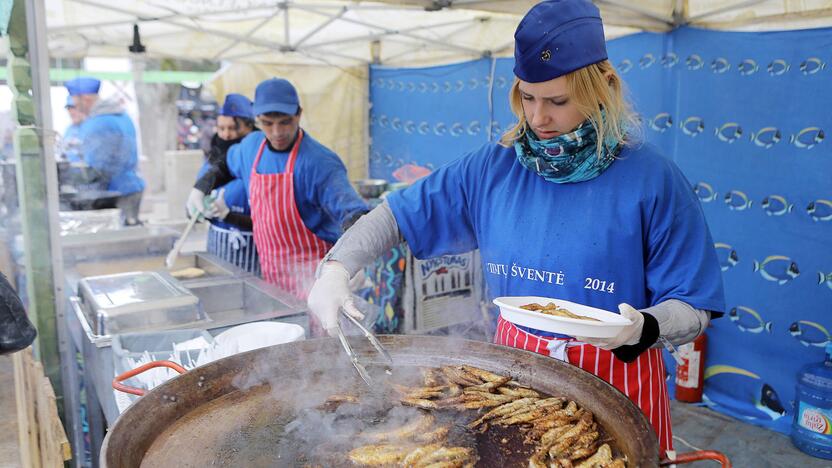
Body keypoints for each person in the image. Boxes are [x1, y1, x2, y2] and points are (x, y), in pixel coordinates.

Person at [306, 0, 725, 456]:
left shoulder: (652, 179)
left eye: (558, 101)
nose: (538, 118)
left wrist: (643, 327)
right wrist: (336, 270)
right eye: (527, 97)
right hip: (511, 380)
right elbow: (394, 215)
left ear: (602, 86)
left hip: (618, 378)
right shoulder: (492, 168)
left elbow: (693, 306)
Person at [194, 78, 368, 317]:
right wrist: (200, 187)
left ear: (299, 115)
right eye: (267, 123)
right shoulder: (251, 147)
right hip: (273, 285)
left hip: (316, 284)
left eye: (285, 122)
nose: (277, 132)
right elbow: (224, 163)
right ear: (257, 120)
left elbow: (355, 215)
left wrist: (353, 261)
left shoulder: (319, 162)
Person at [186, 94, 259, 273]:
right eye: (221, 128)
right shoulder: (212, 160)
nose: (226, 135)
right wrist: (195, 209)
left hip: (253, 258)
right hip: (217, 251)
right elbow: (197, 198)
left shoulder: (257, 160)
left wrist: (230, 216)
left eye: (233, 128)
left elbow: (271, 222)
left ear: (249, 127)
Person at [65, 77, 146, 225]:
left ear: (86, 99)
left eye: (76, 101)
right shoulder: (122, 115)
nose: (75, 106)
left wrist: (68, 176)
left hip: (114, 193)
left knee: (117, 238)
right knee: (130, 231)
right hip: (133, 186)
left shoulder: (97, 123)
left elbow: (96, 169)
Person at [61, 95, 84, 163]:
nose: (72, 112)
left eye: (74, 108)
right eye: (69, 108)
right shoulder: (68, 130)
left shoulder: (91, 127)